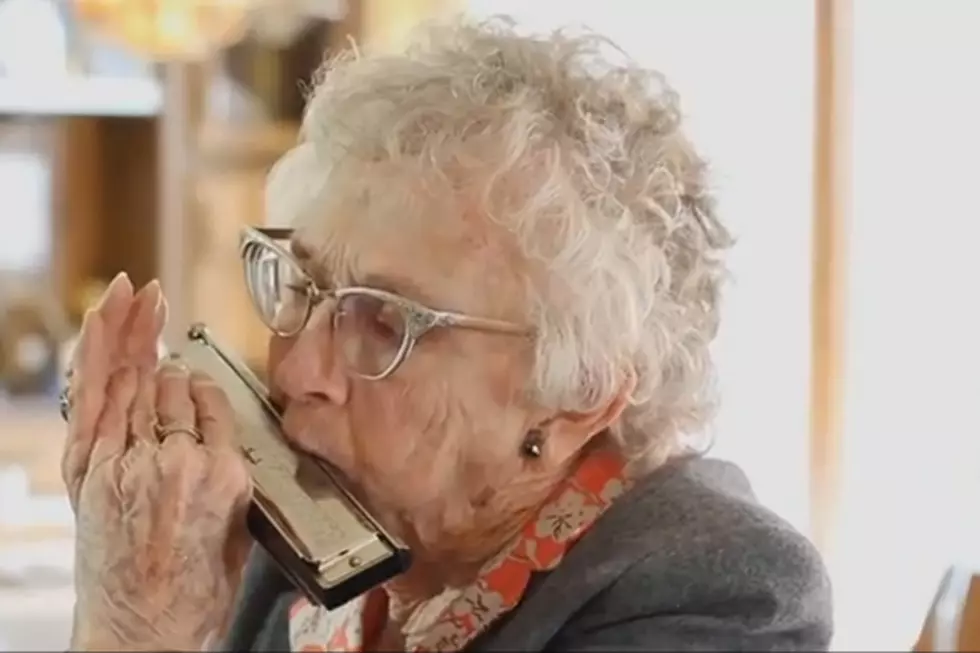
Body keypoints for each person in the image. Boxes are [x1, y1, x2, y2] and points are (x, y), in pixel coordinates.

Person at [60, 17, 833, 652]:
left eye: (385, 320)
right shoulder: (305, 543)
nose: (298, 371)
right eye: (302, 285)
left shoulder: (719, 593)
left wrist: (139, 632)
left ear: (576, 392)